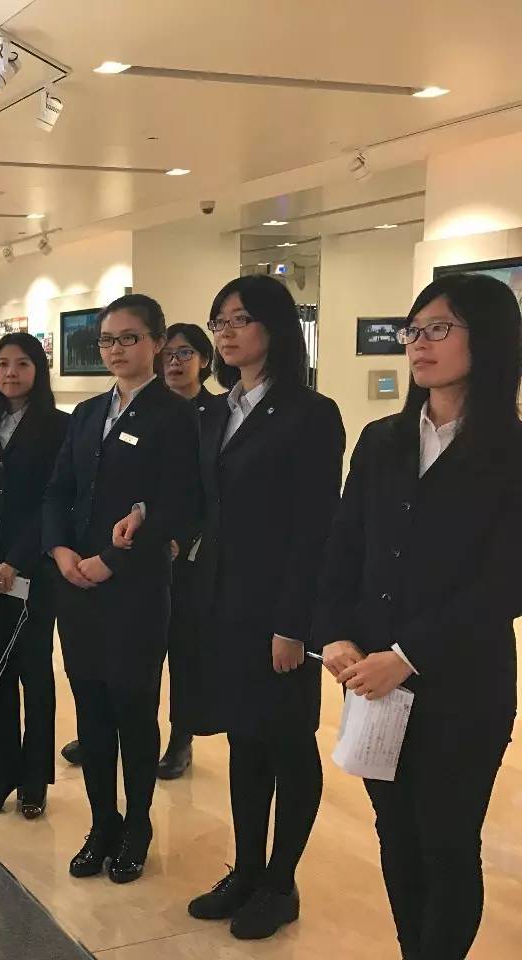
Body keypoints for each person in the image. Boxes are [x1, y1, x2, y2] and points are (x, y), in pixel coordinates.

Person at [313, 273, 522, 960]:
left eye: (439, 329)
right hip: (374, 682)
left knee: (447, 841)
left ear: (487, 338)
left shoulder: (511, 451)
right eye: (414, 330)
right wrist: (335, 633)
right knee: (396, 835)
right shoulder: (383, 439)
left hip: (462, 686)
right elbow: (344, 547)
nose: (419, 344)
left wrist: (406, 656)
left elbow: (505, 582)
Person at [175, 275, 344, 940]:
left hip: (279, 611)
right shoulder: (216, 412)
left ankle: (281, 881)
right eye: (219, 320)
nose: (226, 332)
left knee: (288, 742)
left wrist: (294, 626)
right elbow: (203, 506)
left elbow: (315, 528)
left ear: (274, 327)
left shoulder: (311, 413)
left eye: (240, 319)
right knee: (244, 739)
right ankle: (246, 869)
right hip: (222, 605)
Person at [42, 294, 201, 884]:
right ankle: (101, 823)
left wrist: (111, 561)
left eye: (129, 338)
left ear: (156, 343)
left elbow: (181, 503)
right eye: (107, 339)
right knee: (90, 710)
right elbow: (57, 491)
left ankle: (137, 826)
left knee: (134, 710)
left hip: (134, 589)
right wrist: (60, 552)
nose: (116, 349)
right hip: (77, 588)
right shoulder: (86, 414)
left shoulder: (176, 416)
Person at [0, 333, 69, 820]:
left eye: (22, 364)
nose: (11, 373)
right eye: (3, 364)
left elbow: (54, 501)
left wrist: (15, 561)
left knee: (35, 674)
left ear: (38, 370)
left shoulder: (58, 427)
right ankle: (2, 778)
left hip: (33, 572)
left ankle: (34, 783)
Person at [157, 322, 227, 779]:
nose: (175, 363)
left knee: (183, 650)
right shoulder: (147, 410)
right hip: (141, 548)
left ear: (204, 360)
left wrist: (187, 538)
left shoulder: (219, 414)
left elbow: (216, 491)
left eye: (185, 353)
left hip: (192, 555)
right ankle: (119, 729)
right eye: (168, 354)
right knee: (132, 649)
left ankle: (181, 738)